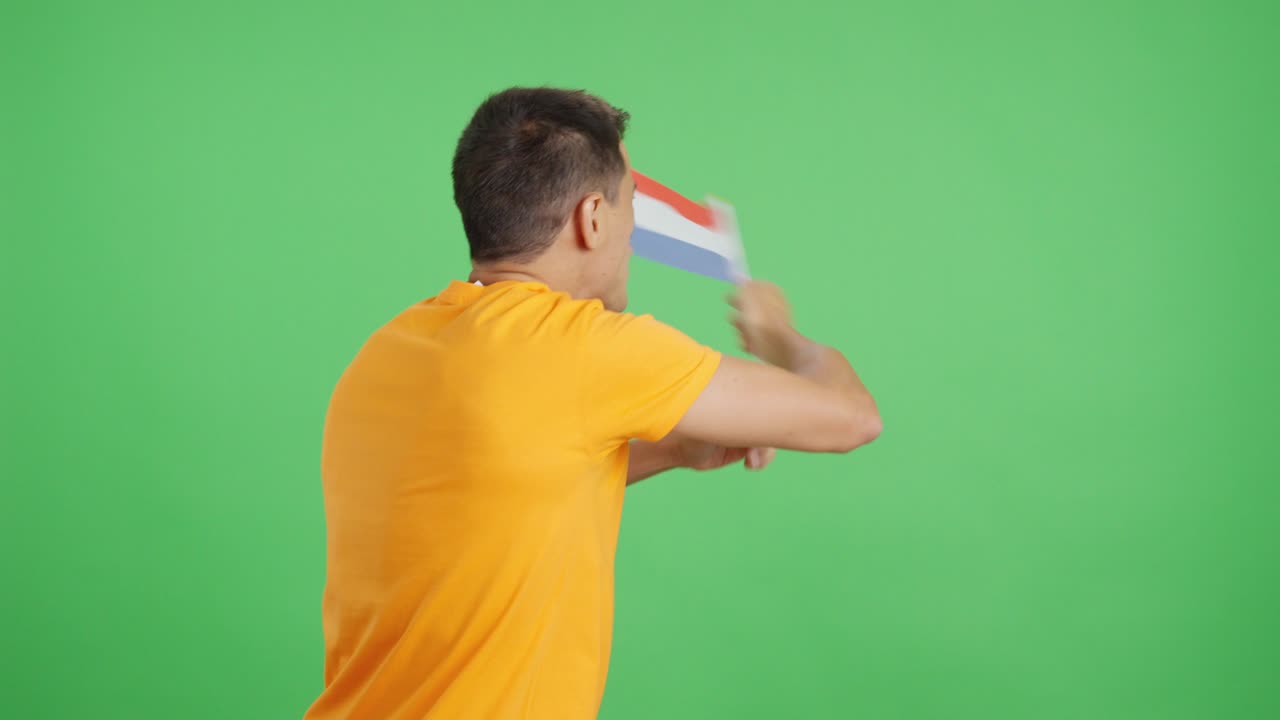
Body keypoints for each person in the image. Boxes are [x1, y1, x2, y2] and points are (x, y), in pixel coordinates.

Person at [304, 87, 881, 719]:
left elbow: (491, 486)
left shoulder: (388, 352)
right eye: (631, 205)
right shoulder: (586, 349)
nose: (632, 232)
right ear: (594, 217)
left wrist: (675, 449)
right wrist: (781, 338)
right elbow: (851, 417)